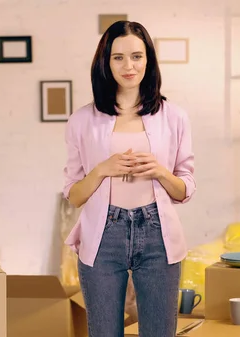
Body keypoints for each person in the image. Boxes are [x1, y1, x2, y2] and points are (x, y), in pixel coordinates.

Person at [62, 20, 196, 337]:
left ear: (148, 59)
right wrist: (102, 169)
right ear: (105, 63)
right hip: (102, 235)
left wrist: (159, 170)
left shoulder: (174, 116)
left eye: (136, 56)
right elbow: (74, 195)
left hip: (157, 235)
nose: (129, 66)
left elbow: (185, 189)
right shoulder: (82, 120)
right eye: (118, 57)